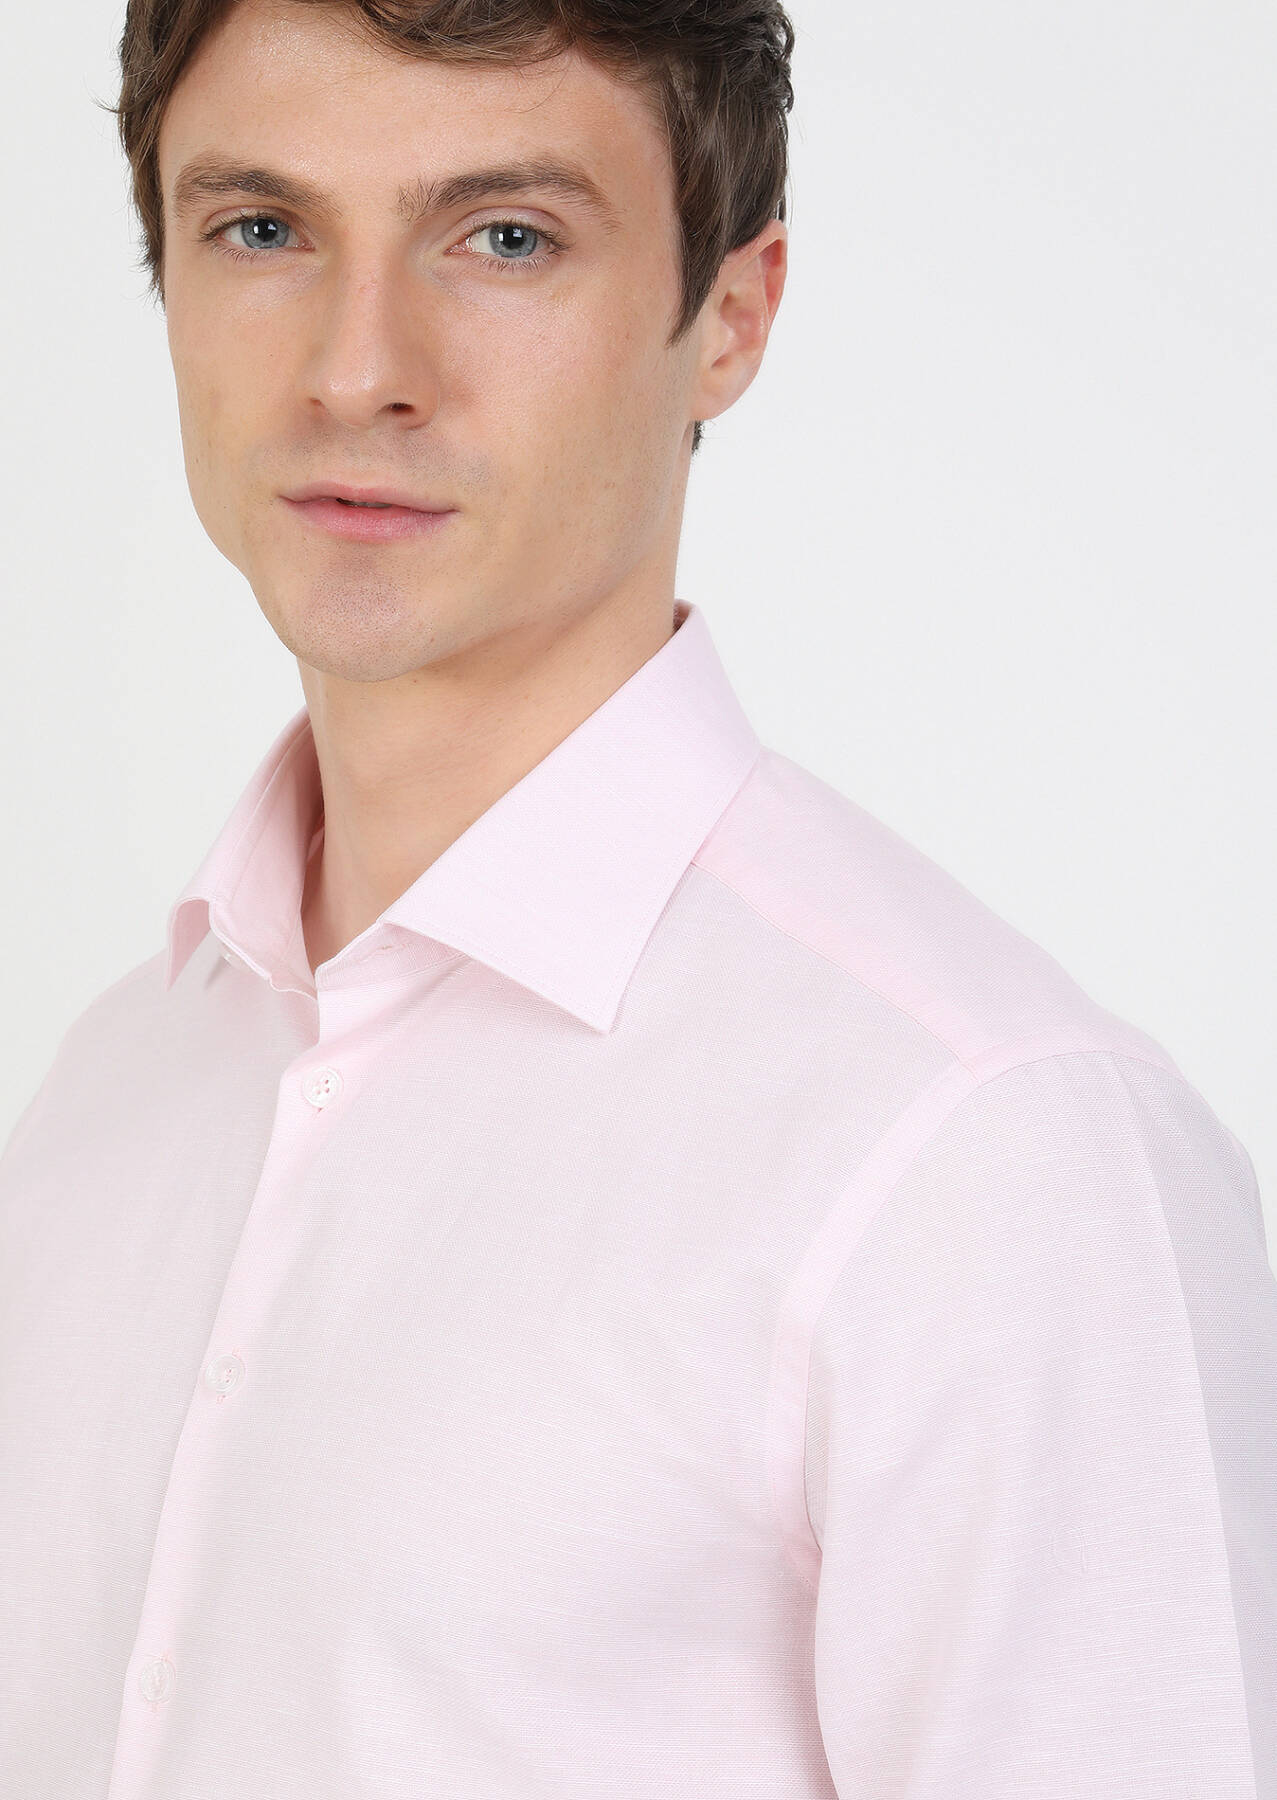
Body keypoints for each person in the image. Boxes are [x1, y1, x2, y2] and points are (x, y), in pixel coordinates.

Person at [1, 0, 1273, 1794]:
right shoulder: (113, 1087)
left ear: (730, 316)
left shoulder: (988, 1157)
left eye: (505, 237)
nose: (356, 370)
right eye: (264, 228)